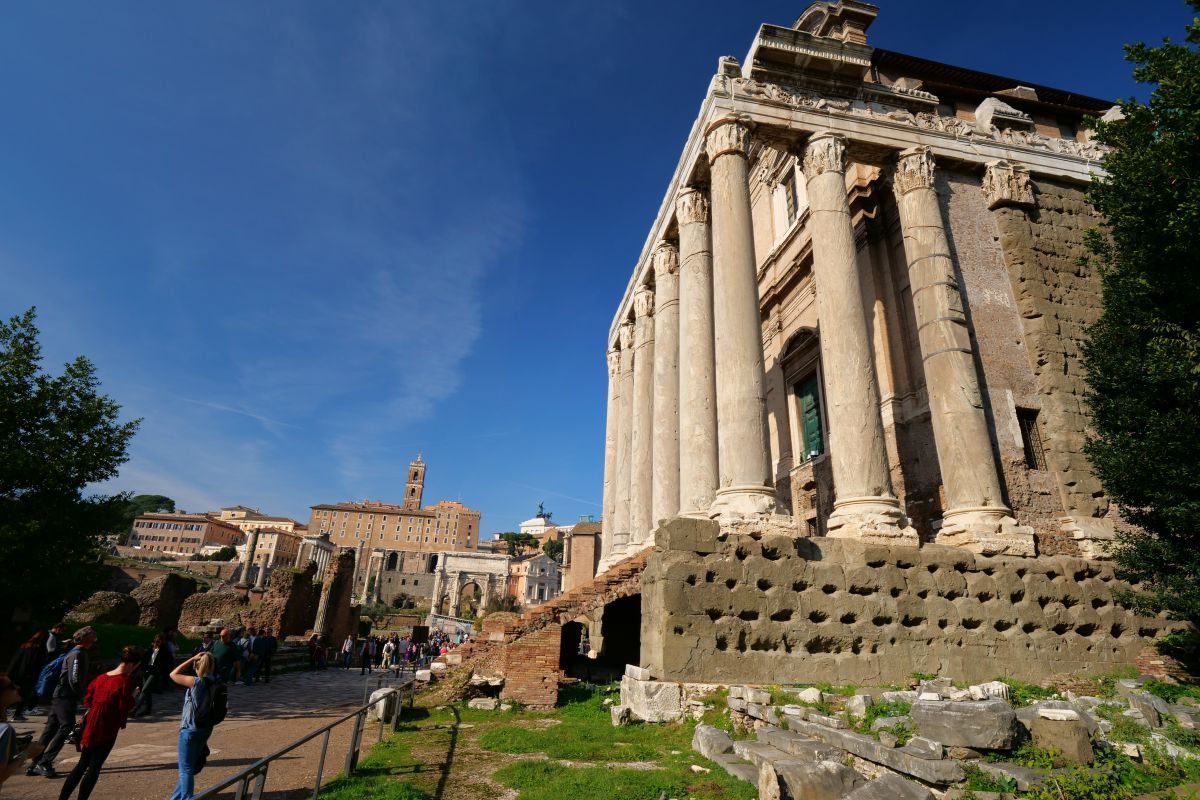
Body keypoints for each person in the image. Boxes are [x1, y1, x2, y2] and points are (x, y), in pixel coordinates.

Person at [57, 646, 141, 800]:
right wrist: (134, 696)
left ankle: (62, 798)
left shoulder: (101, 677)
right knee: (94, 767)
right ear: (131, 665)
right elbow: (124, 706)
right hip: (107, 726)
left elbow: (88, 700)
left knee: (82, 764)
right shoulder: (124, 681)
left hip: (90, 725)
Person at [27, 626, 97, 778]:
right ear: (84, 638)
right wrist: (83, 695)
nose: (95, 638)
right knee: (67, 726)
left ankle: (35, 763)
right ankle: (44, 761)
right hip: (65, 696)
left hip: (60, 695)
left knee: (51, 728)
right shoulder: (77, 654)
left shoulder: (76, 652)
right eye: (93, 635)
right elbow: (74, 678)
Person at [168, 653, 217, 800]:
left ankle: (188, 798)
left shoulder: (196, 682)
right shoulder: (214, 681)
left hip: (190, 729)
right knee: (188, 767)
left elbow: (173, 674)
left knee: (185, 769)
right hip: (206, 729)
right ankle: (176, 798)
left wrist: (191, 659)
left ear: (197, 666)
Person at [5, 631, 48, 721]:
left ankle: (3, 712)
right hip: (30, 676)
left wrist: (9, 673)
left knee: (11, 694)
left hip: (18, 675)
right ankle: (17, 714)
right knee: (23, 695)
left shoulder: (25, 646)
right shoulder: (41, 649)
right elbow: (40, 664)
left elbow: (15, 660)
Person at [131, 635, 171, 717]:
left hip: (155, 673)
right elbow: (143, 661)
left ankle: (135, 709)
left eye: (158, 641)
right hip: (146, 671)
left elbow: (167, 663)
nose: (156, 643)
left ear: (162, 642)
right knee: (147, 691)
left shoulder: (164, 651)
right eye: (155, 641)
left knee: (144, 690)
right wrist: (134, 670)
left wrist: (161, 671)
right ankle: (148, 709)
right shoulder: (150, 649)